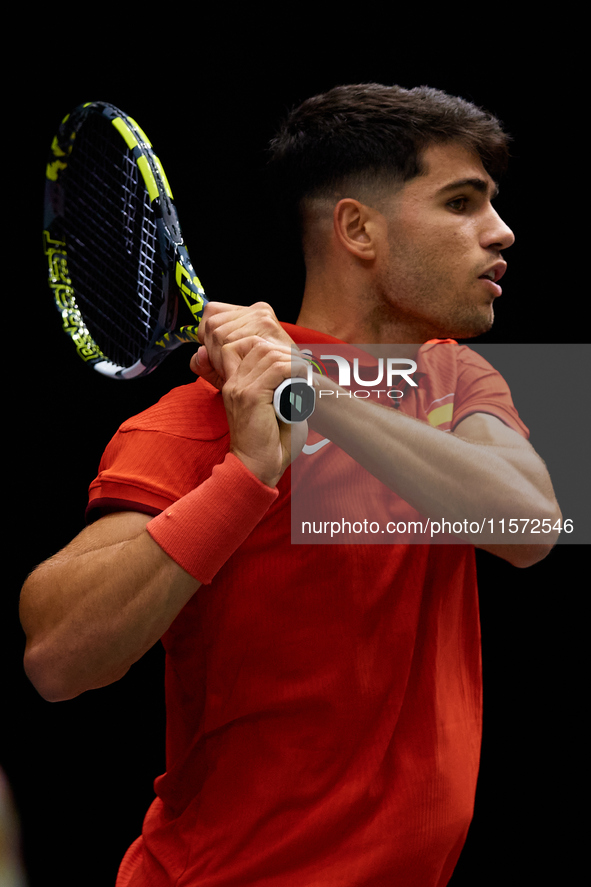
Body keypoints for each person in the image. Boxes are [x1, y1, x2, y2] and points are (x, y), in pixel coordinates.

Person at [20, 84, 561, 886]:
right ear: (357, 229)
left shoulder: (453, 381)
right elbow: (56, 658)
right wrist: (247, 475)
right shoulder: (195, 421)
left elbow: (530, 526)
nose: (499, 231)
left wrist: (310, 387)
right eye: (460, 202)